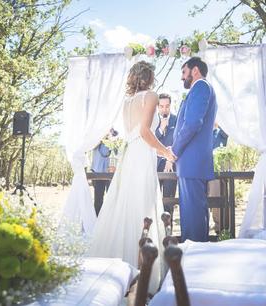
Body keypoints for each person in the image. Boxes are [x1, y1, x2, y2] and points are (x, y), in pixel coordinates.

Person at [87, 61, 176, 294]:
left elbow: (135, 132)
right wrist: (165, 151)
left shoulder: (126, 102)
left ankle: (119, 268)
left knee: (124, 204)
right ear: (149, 77)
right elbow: (146, 132)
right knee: (142, 205)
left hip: (130, 154)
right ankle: (142, 270)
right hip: (140, 155)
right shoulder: (151, 96)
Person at [172, 57, 217, 242]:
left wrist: (174, 149)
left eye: (184, 72)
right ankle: (192, 254)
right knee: (191, 214)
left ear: (195, 70)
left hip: (192, 162)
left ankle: (194, 258)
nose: (182, 78)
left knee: (193, 216)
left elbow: (191, 124)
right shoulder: (200, 89)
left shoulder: (201, 87)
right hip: (189, 163)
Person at [155, 93, 177, 213]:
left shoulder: (176, 119)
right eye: (162, 106)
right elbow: (149, 140)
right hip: (155, 165)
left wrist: (170, 159)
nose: (164, 109)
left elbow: (179, 142)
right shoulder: (152, 121)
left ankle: (168, 230)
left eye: (167, 106)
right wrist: (160, 129)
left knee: (169, 202)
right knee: (154, 202)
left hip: (171, 165)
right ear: (158, 106)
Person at [90, 139, 111, 216]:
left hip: (111, 171)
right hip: (97, 171)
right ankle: (97, 220)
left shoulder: (113, 134)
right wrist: (102, 138)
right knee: (98, 200)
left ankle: (108, 220)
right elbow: (91, 146)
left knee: (111, 198)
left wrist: (112, 139)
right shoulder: (97, 133)